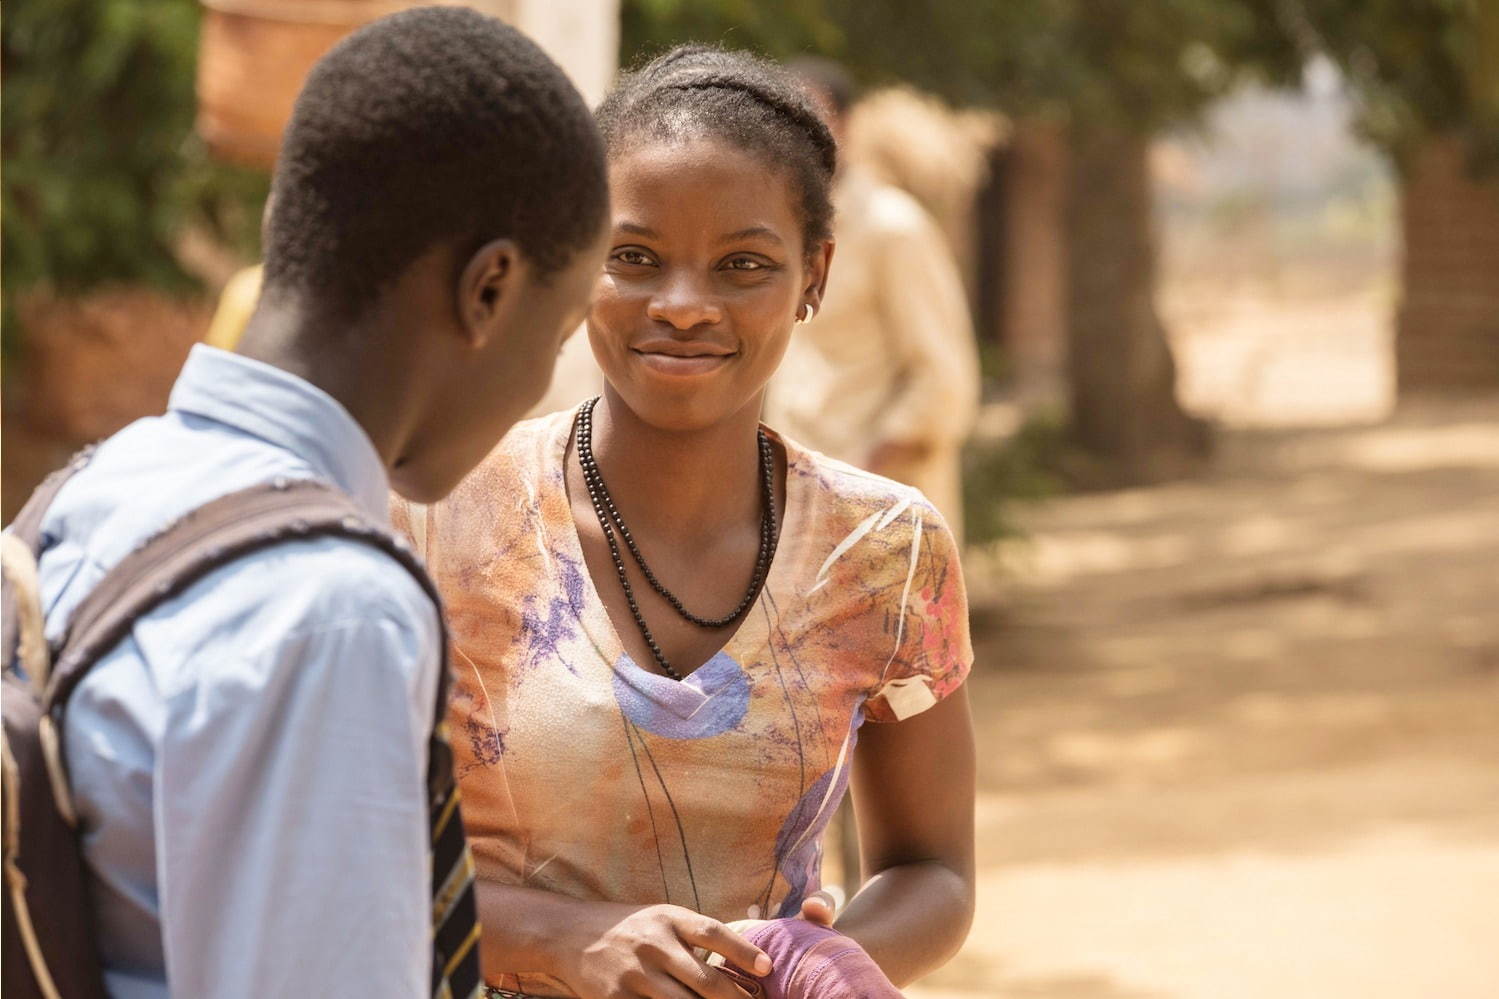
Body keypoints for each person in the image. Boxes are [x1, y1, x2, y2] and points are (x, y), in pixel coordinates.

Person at [29, 9, 608, 996]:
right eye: (555, 342)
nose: (537, 393)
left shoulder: (101, 487)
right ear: (489, 290)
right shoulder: (332, 610)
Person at [393, 46, 976, 999]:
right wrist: (565, 938)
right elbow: (337, 845)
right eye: (634, 257)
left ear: (813, 275)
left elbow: (934, 868)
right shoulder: (444, 515)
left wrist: (810, 965)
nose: (683, 306)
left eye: (743, 264)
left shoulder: (885, 553)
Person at [767, 58, 980, 540]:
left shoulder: (894, 229)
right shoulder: (778, 233)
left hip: (884, 518)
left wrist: (864, 481)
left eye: (812, 119)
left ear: (844, 125)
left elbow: (943, 382)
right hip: (800, 509)